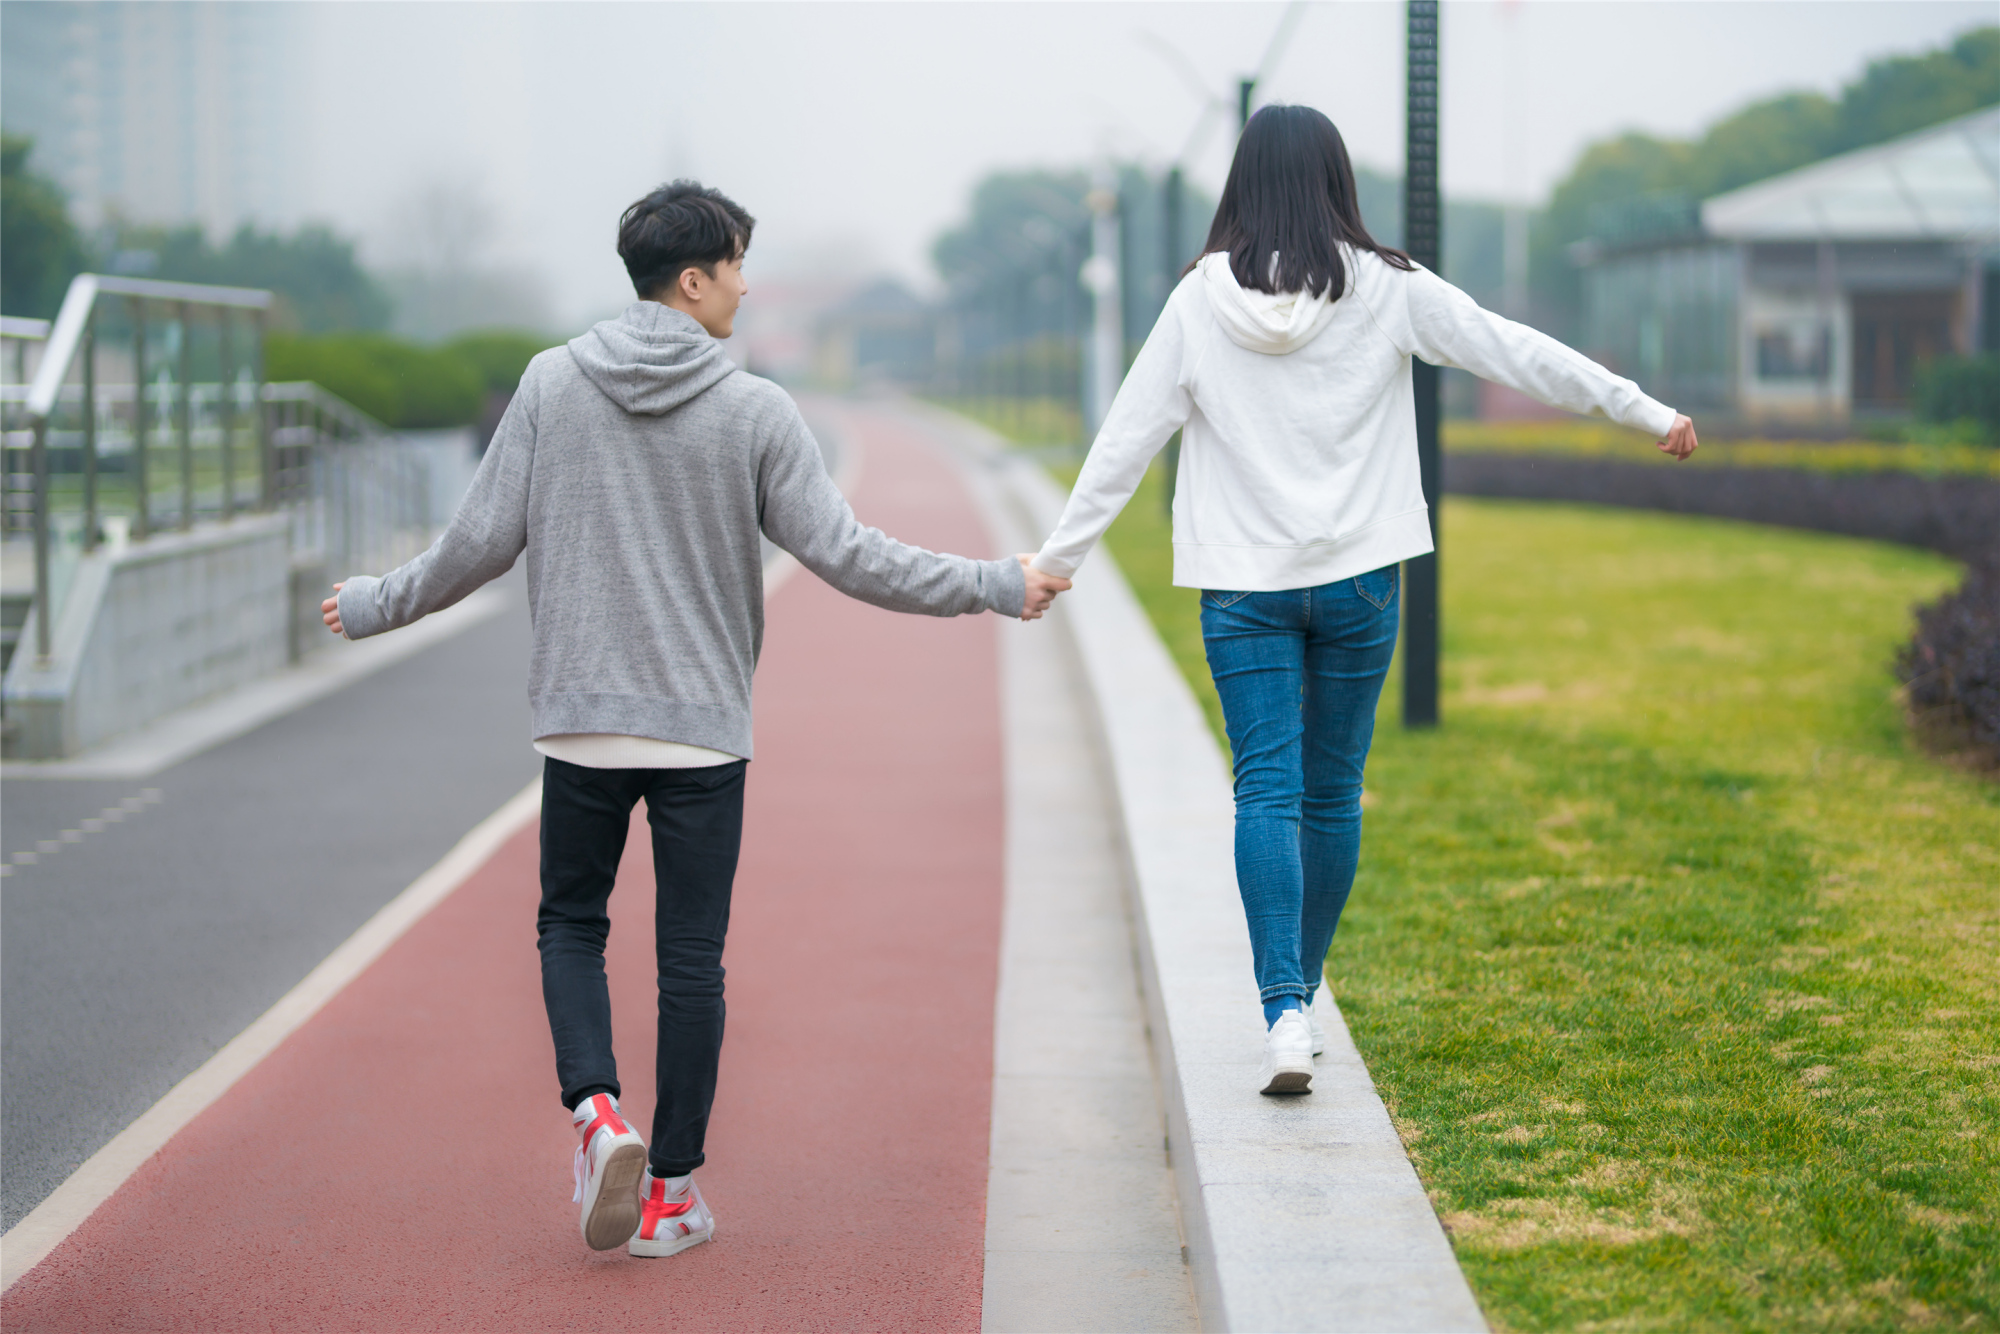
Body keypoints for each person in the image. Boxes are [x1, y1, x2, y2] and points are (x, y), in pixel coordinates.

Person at [320, 180, 1071, 1257]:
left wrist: (374, 601)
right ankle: (670, 1192)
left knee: (571, 923)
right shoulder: (755, 409)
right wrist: (996, 582)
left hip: (581, 725)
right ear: (691, 279)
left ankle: (596, 1114)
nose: (745, 284)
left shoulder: (548, 385)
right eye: (733, 266)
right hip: (702, 735)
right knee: (690, 957)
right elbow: (852, 556)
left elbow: (472, 546)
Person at [1029, 106, 1697, 1097]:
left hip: (1244, 590)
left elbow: (1127, 435)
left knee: (1265, 788)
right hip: (1355, 582)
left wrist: (1059, 555)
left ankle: (1282, 1012)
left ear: (1242, 184)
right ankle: (1296, 997)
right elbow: (1511, 348)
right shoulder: (1387, 287)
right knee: (1331, 793)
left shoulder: (1196, 301)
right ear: (1336, 181)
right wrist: (1643, 408)